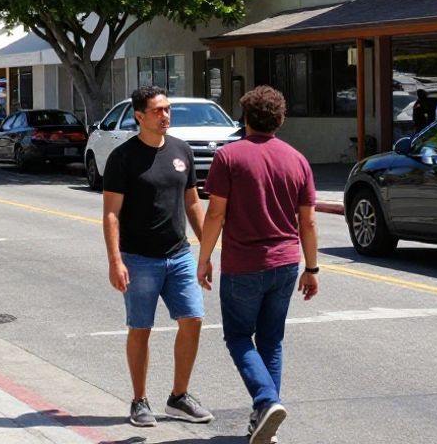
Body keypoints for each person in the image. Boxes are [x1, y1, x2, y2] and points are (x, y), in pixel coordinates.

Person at [197, 86, 319, 444]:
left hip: (243, 264)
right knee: (271, 340)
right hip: (285, 264)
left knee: (237, 336)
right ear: (279, 120)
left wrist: (203, 258)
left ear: (246, 118)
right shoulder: (297, 159)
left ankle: (267, 402)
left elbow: (215, 213)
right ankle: (264, 419)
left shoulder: (229, 157)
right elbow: (307, 223)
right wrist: (311, 269)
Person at [102, 86, 213, 428]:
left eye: (167, 109)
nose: (165, 115)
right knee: (141, 328)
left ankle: (179, 397)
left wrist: (205, 251)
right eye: (157, 111)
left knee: (193, 320)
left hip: (179, 254)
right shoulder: (122, 158)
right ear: (139, 116)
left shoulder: (181, 150)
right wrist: (115, 261)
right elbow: (111, 214)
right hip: (138, 258)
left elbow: (192, 202)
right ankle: (139, 401)